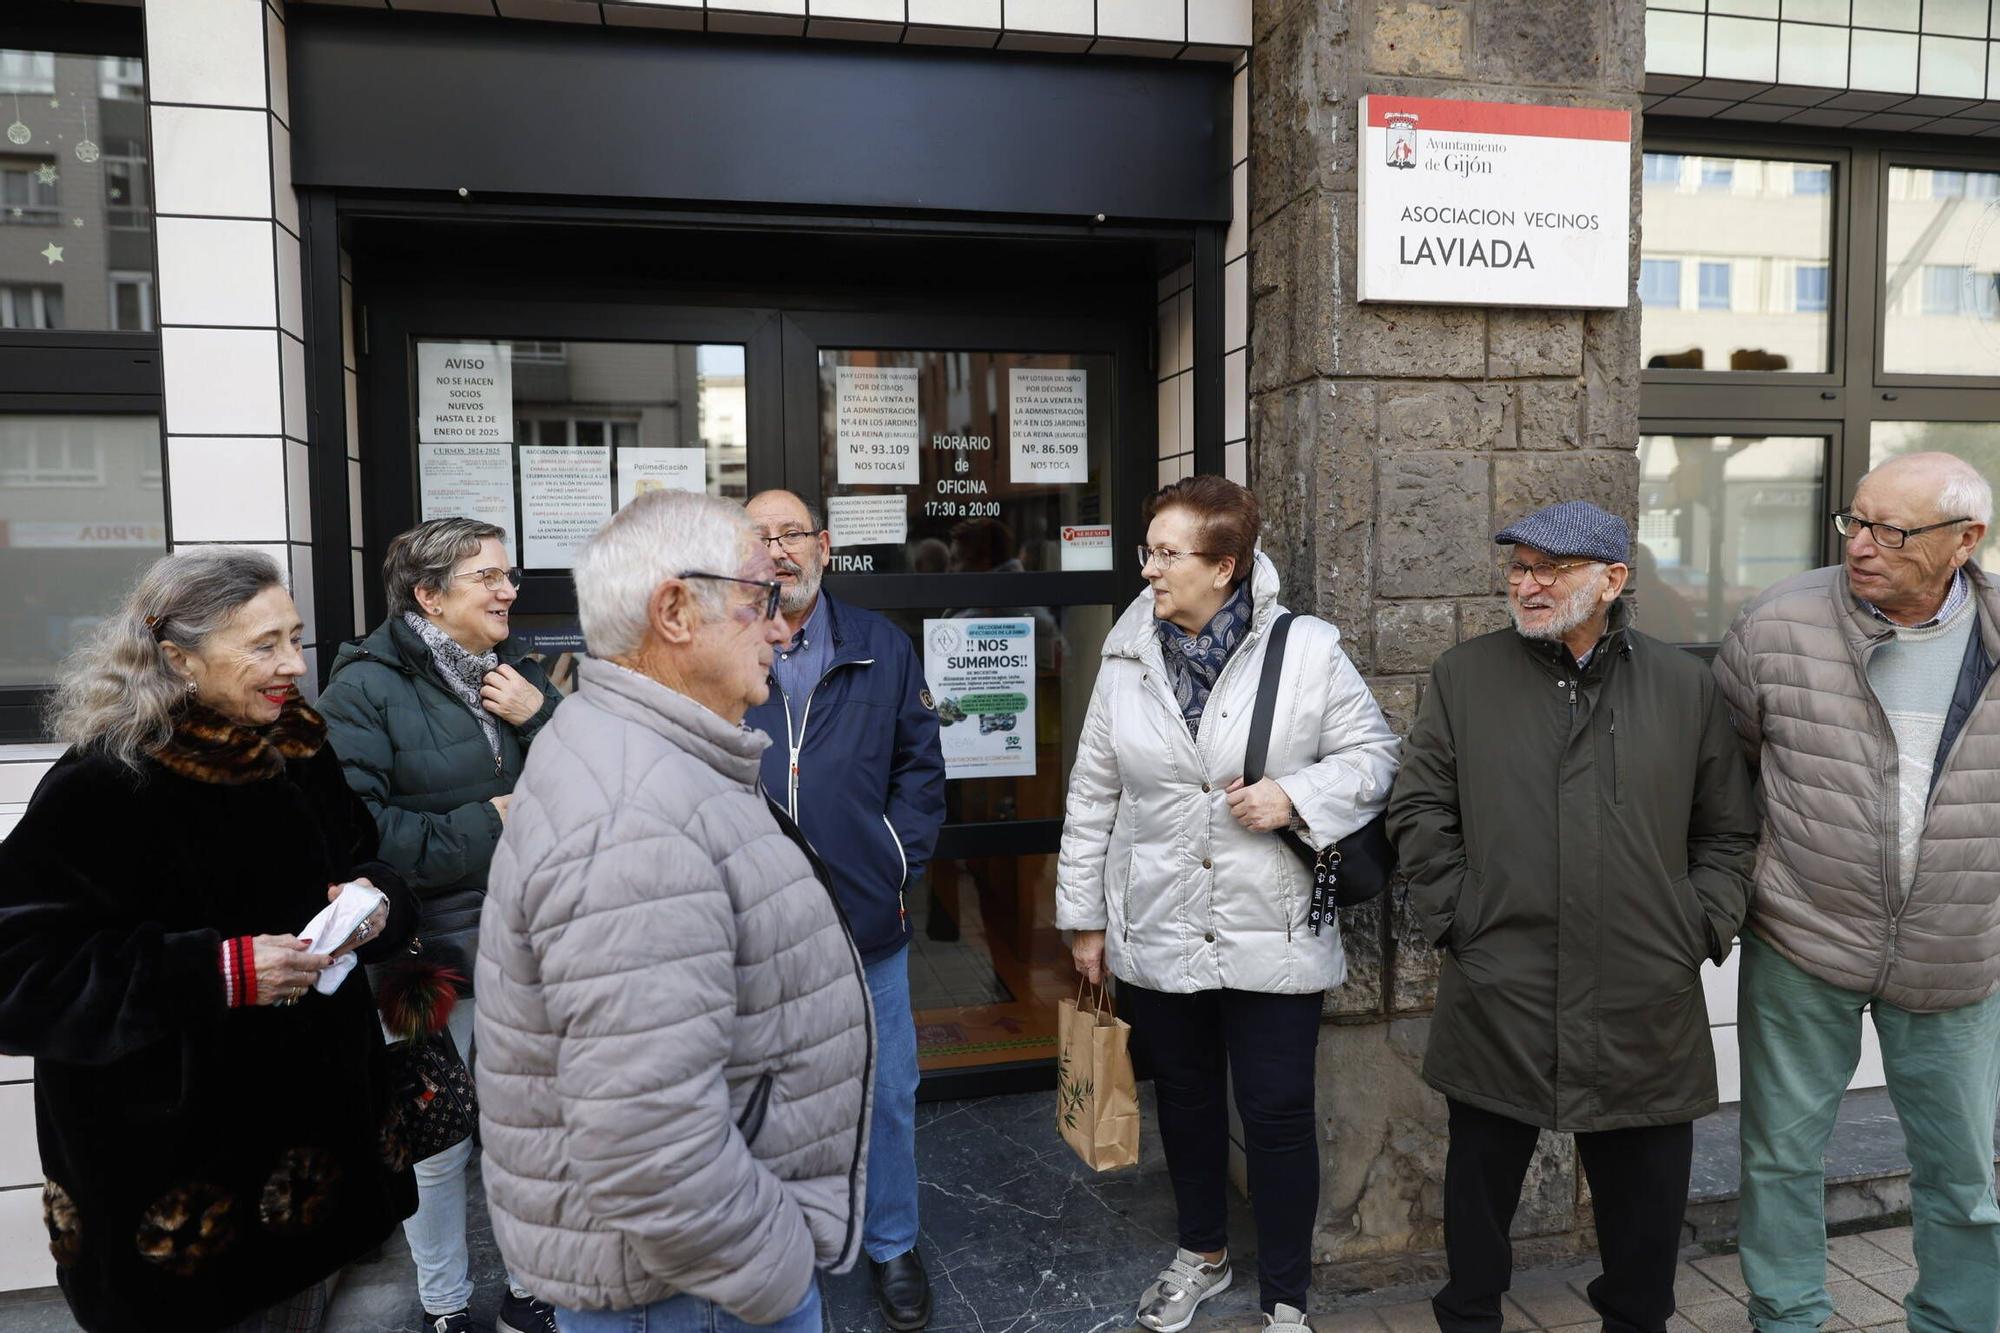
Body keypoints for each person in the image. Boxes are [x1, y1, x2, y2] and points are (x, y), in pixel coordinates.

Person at [475, 489, 873, 1333]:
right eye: (760, 599)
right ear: (675, 612)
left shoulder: (648, 753)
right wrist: (777, 1276)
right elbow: (648, 1143)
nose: (778, 627)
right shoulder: (631, 811)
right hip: (692, 1292)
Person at [0, 549, 419, 1333]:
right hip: (194, 1215)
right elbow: (18, 976)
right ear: (176, 659)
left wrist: (376, 901)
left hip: (340, 1168)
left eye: (295, 638)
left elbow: (366, 854)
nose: (294, 664)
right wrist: (216, 971)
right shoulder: (104, 783)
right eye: (264, 644)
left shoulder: (296, 746)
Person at [1387, 500, 1758, 1333]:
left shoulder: (1683, 684)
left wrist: (1695, 927)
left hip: (1643, 988)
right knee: (1479, 1185)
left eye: (1546, 571)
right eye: (1518, 569)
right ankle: (1470, 1317)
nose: (1526, 584)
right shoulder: (1466, 674)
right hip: (1500, 978)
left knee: (1646, 1197)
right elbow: (1418, 807)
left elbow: (1729, 828)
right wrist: (1460, 916)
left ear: (1612, 580)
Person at [1056, 475, 1399, 1333]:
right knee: (1190, 1099)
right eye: (1150, 550)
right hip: (1159, 920)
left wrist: (1294, 793)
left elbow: (1376, 754)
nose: (1150, 570)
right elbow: (1093, 794)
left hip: (1270, 925)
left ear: (1226, 566)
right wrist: (1085, 919)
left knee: (1279, 1113)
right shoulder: (1126, 653)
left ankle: (1287, 1297)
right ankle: (1201, 1254)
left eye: (1169, 554)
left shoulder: (1308, 650)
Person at [1714, 452, 2000, 1333]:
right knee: (1778, 1157)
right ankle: (1787, 1317)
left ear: (1967, 541)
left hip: (1956, 949)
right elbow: (1726, 769)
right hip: (1804, 937)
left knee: (1963, 1171)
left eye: (1891, 530)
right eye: (1855, 520)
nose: (1862, 546)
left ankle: (1956, 1320)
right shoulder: (1780, 621)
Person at [317, 517, 564, 1333]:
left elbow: (592, 771)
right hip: (427, 955)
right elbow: (353, 836)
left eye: (509, 575)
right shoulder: (363, 687)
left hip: (529, 937)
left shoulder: (516, 670)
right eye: (488, 577)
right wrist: (489, 821)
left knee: (529, 1129)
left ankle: (531, 1287)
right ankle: (446, 1305)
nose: (508, 591)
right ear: (428, 594)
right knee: (438, 1136)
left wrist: (541, 716)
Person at [741, 489, 945, 1331]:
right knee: (763, 1097)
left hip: (866, 922)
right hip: (751, 931)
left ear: (824, 545)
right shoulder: (715, 645)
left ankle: (893, 1241)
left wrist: (893, 863)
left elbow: (920, 770)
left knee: (887, 1090)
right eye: (760, 536)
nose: (779, 549)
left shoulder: (881, 646)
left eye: (793, 533)